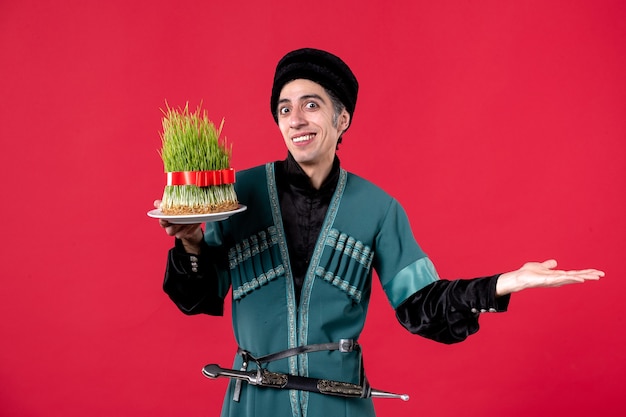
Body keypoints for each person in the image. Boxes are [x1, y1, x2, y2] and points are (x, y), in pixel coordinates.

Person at [155, 48, 604, 417]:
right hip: (253, 400)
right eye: (284, 109)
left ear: (342, 119)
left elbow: (421, 305)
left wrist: (503, 283)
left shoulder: (378, 209)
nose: (296, 120)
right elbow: (196, 297)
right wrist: (191, 240)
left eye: (312, 105)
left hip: (340, 401)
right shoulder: (237, 194)